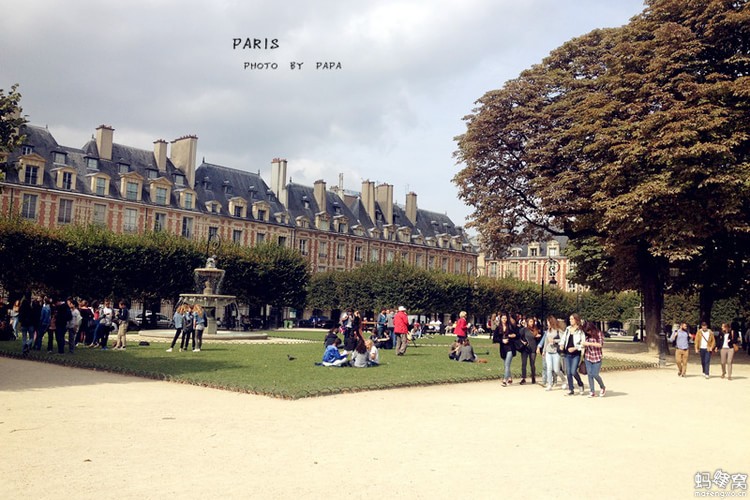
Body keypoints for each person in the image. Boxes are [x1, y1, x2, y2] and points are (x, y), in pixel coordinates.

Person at [561, 314, 586, 395]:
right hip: (567, 353)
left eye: (572, 319)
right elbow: (563, 338)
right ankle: (571, 389)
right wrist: (561, 344)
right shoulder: (568, 329)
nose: (570, 320)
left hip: (576, 354)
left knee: (573, 371)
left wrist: (575, 348)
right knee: (568, 372)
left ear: (576, 320)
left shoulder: (580, 331)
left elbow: (583, 343)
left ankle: (580, 384)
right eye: (570, 319)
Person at [582, 321, 606, 397]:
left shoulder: (599, 333)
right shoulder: (586, 335)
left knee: (595, 374)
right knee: (589, 374)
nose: (588, 332)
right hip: (588, 356)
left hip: (597, 357)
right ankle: (592, 391)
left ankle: (602, 387)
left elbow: (600, 345)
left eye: (589, 330)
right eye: (587, 331)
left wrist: (589, 344)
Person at [540, 315, 564, 391]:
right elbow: (546, 341)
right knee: (549, 368)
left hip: (556, 351)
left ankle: (564, 379)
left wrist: (554, 341)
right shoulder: (547, 331)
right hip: (548, 352)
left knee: (556, 369)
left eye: (548, 322)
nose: (547, 323)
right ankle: (549, 384)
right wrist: (544, 351)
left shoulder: (558, 330)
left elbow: (563, 340)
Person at [494, 312, 517, 387]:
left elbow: (517, 334)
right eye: (503, 318)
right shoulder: (498, 328)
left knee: (507, 364)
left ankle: (505, 380)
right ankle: (509, 377)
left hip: (510, 347)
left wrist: (513, 335)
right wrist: (502, 340)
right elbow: (495, 339)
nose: (504, 319)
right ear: (500, 319)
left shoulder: (510, 326)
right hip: (503, 348)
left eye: (505, 318)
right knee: (506, 365)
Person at [519, 317, 540, 385]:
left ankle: (533, 377)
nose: (532, 323)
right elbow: (519, 337)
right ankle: (523, 378)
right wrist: (522, 342)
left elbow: (538, 340)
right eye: (530, 321)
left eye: (532, 321)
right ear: (527, 322)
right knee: (524, 363)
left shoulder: (535, 329)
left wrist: (538, 338)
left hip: (533, 348)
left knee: (532, 363)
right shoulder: (524, 330)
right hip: (525, 348)